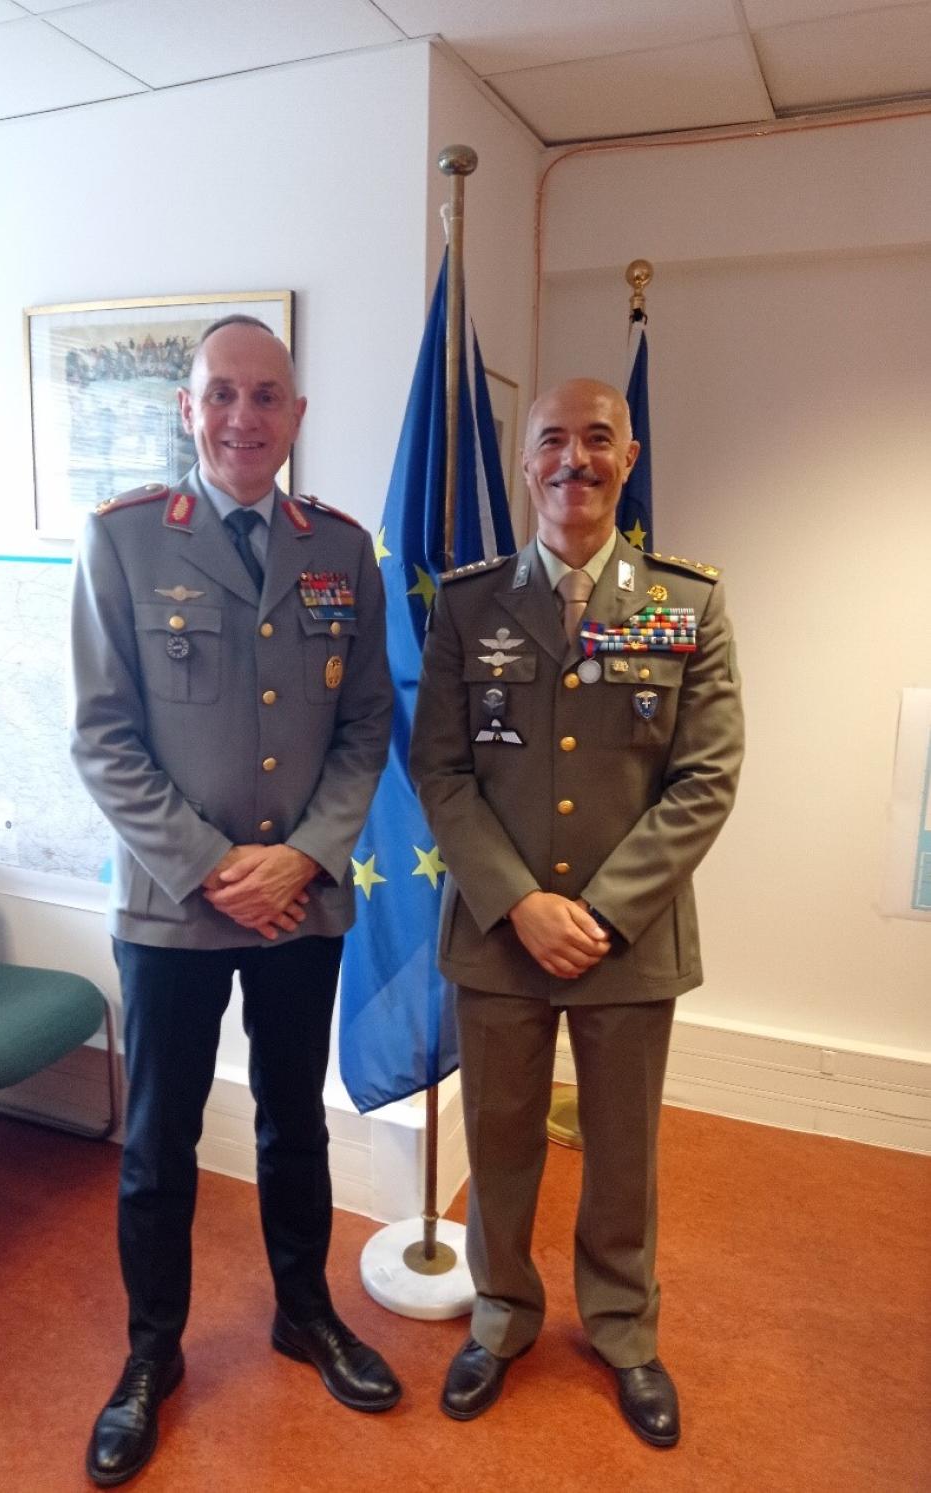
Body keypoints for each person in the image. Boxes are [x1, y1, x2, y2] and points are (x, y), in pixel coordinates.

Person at [71, 316, 399, 1487]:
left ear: (296, 416)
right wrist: (215, 867)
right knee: (157, 1138)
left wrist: (303, 857)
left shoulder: (340, 550)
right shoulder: (120, 543)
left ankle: (302, 1312)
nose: (243, 417)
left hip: (301, 906)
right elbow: (103, 741)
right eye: (222, 394)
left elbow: (367, 726)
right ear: (186, 406)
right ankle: (150, 1355)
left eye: (267, 396)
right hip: (172, 909)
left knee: (290, 1122)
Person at [409, 377, 744, 1447]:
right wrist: (519, 904)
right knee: (500, 1137)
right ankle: (501, 1311)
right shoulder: (465, 604)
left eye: (596, 438)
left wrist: (593, 911)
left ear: (628, 456)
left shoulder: (685, 603)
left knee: (621, 1144)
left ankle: (624, 1329)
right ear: (524, 462)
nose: (573, 459)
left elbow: (706, 775)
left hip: (627, 938)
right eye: (551, 439)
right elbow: (442, 771)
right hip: (501, 936)